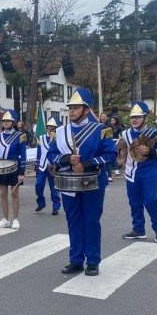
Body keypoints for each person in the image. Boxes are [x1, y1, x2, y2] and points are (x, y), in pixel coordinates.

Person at [46, 88, 117, 276]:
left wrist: (86, 164)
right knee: (73, 220)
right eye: (70, 108)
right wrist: (67, 159)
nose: (71, 111)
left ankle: (93, 260)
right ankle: (76, 259)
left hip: (93, 181)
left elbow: (111, 155)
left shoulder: (101, 130)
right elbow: (51, 155)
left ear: (86, 110)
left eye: (76, 108)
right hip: (68, 182)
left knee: (91, 220)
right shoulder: (61, 132)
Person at [118, 102, 157, 243]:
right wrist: (119, 156)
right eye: (132, 117)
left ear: (145, 118)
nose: (134, 120)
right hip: (130, 172)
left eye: (138, 117)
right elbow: (121, 151)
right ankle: (138, 230)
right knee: (134, 202)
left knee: (151, 200)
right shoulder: (125, 134)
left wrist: (150, 151)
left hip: (148, 171)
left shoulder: (154, 133)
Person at [0, 110, 27, 230]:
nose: (5, 123)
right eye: (3, 121)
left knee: (15, 194)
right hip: (1, 168)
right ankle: (5, 219)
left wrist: (22, 173)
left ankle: (16, 219)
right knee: (2, 194)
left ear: (13, 122)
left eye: (8, 121)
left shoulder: (20, 136)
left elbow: (23, 155)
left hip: (14, 168)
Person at [34, 117, 61, 215]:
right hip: (42, 166)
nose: (50, 128)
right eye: (49, 126)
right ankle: (41, 203)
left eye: (52, 127)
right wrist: (36, 163)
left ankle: (56, 206)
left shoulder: (58, 138)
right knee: (38, 185)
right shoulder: (41, 138)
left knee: (54, 188)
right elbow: (39, 151)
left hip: (53, 166)